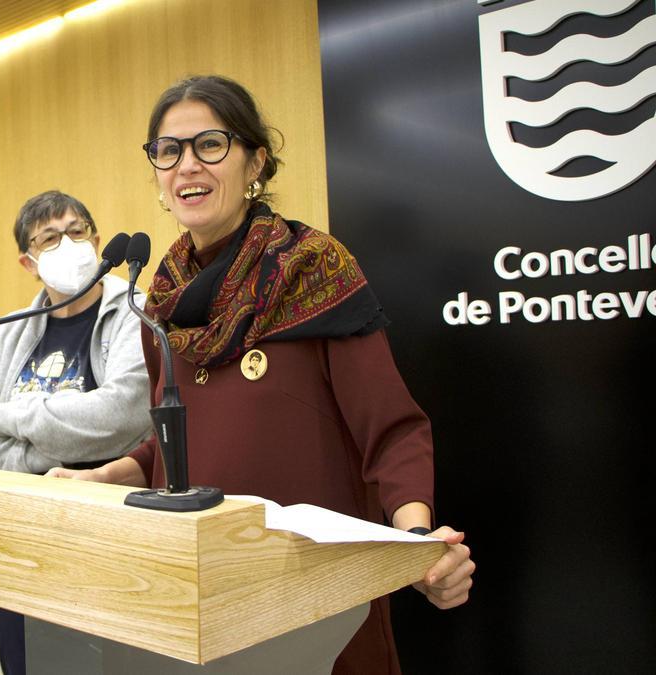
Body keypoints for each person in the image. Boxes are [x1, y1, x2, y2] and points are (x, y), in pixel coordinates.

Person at [48, 75, 475, 675]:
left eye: (210, 145)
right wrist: (115, 472)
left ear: (256, 161)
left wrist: (418, 543)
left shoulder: (312, 268)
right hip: (202, 598)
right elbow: (177, 437)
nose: (186, 166)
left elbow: (394, 429)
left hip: (314, 600)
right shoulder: (160, 300)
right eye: (168, 151)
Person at [0, 190, 151, 674]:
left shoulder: (138, 313)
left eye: (76, 231)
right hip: (18, 541)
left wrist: (9, 418)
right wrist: (48, 459)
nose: (68, 244)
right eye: (49, 238)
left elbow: (121, 417)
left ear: (98, 240)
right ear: (28, 261)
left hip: (107, 542)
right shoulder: (6, 332)